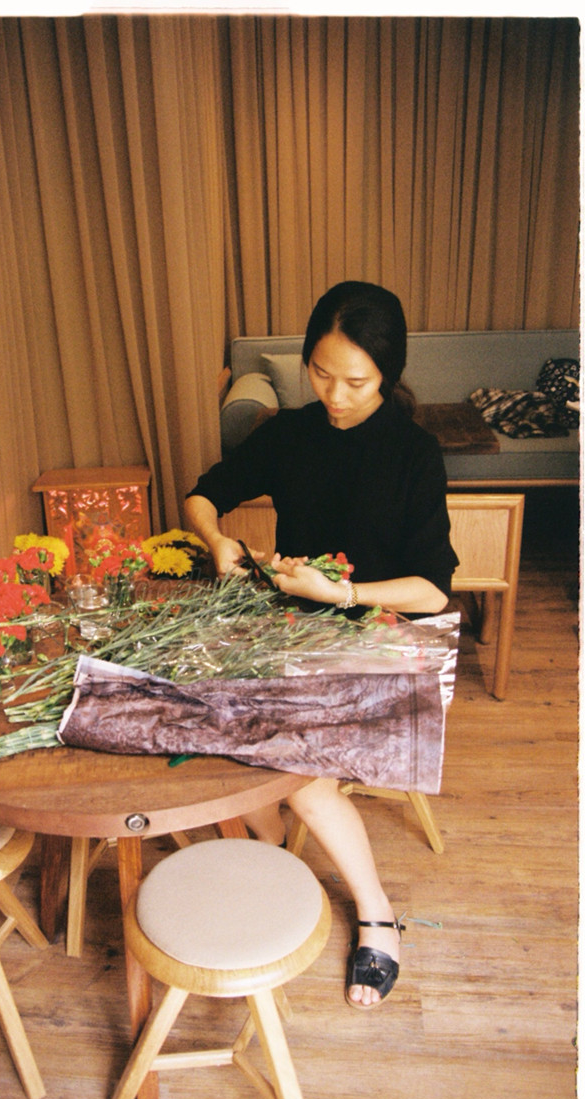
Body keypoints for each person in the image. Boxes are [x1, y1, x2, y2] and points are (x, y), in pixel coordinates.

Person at [184, 280, 458, 1008]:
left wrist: (343, 594)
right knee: (208, 719)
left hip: (381, 636)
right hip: (292, 629)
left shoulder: (414, 452)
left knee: (294, 765)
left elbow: (433, 590)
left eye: (356, 382)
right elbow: (205, 492)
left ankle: (376, 912)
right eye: (321, 374)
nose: (335, 396)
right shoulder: (290, 434)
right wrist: (217, 540)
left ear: (388, 375)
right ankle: (273, 848)